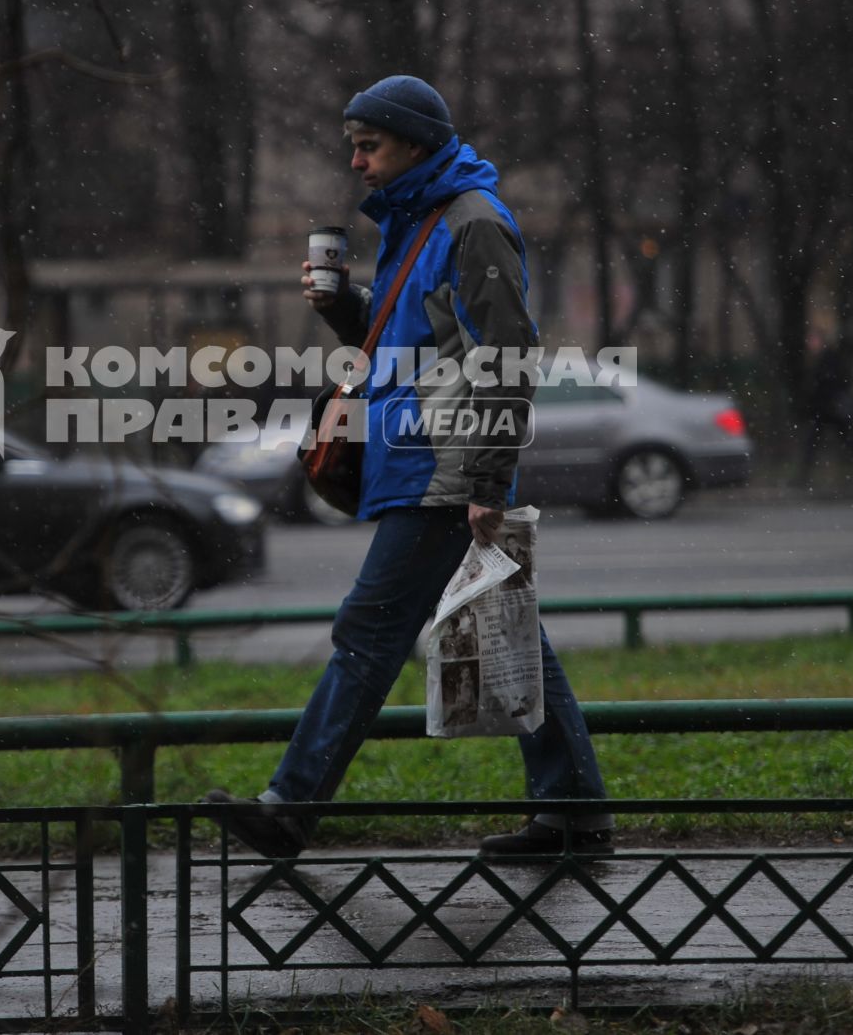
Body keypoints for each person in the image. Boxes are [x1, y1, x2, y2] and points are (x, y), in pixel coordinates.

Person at [205, 75, 613, 860]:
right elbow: (411, 350)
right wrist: (342, 310)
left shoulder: (472, 224)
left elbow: (506, 356)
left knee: (369, 632)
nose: (357, 162)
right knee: (511, 629)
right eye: (354, 147)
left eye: (371, 146)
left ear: (417, 144)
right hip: (424, 464)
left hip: (446, 470)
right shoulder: (418, 223)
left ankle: (290, 807)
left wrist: (488, 483)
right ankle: (574, 813)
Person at [798, 334, 853, 485]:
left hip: (830, 410)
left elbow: (831, 383)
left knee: (847, 441)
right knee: (816, 442)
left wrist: (826, 401)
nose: (811, 345)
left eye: (814, 340)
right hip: (828, 410)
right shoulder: (825, 360)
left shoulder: (828, 360)